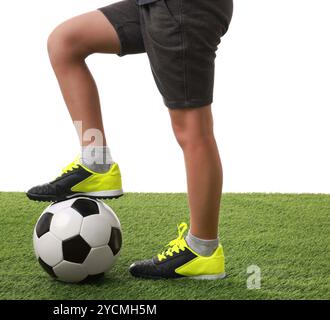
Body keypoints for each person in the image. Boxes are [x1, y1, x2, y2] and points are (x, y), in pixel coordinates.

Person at [27, 0, 233, 280]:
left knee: (192, 129)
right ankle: (96, 164)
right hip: (153, 5)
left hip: (184, 8)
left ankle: (202, 250)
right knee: (65, 42)